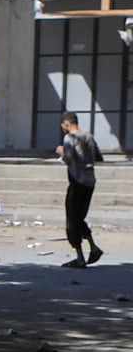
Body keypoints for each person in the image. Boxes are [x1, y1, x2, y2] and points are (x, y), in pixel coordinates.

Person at [56, 112, 103, 268]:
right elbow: (97, 156)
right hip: (90, 181)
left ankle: (80, 256)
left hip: (77, 181)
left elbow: (68, 159)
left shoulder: (70, 138)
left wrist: (61, 152)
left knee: (72, 219)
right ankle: (93, 247)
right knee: (79, 217)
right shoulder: (88, 136)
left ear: (66, 123)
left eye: (63, 125)